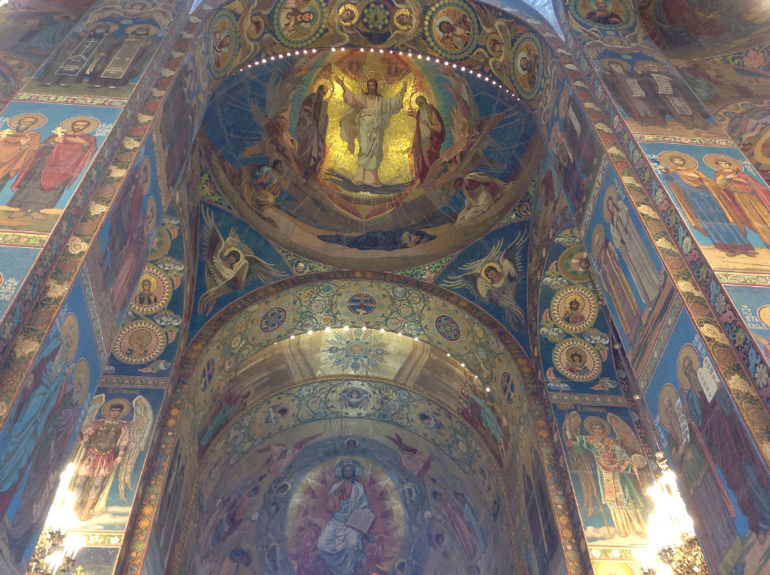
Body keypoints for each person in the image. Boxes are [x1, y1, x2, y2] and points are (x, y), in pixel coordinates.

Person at [681, 355, 770, 544]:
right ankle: (758, 527)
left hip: (732, 433)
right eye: (687, 370)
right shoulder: (691, 398)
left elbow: (727, 404)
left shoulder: (707, 378)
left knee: (751, 471)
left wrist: (720, 390)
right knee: (738, 482)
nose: (690, 371)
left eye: (691, 366)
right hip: (720, 444)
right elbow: (698, 424)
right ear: (686, 375)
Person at [659, 153, 755, 257]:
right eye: (675, 161)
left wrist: (703, 181)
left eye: (679, 160)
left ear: (684, 161)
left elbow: (710, 182)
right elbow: (668, 181)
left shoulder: (695, 172)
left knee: (723, 219)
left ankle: (744, 247)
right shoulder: (673, 172)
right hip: (692, 198)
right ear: (673, 162)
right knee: (708, 221)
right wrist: (664, 171)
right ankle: (729, 247)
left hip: (707, 196)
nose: (678, 162)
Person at [563, 417, 646, 537]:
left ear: (603, 429)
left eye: (599, 428)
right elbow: (572, 438)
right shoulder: (590, 440)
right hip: (604, 472)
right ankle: (622, 528)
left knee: (627, 498)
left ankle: (639, 527)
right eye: (595, 428)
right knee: (613, 500)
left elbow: (620, 452)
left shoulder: (611, 441)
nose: (597, 430)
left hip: (618, 472)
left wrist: (625, 460)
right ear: (591, 429)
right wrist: (567, 427)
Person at [8, 118, 97, 220]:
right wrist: (52, 142)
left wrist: (83, 142)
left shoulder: (88, 138)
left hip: (65, 168)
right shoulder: (58, 134)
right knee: (33, 186)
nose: (79, 127)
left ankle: (36, 211)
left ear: (86, 127)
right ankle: (22, 210)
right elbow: (40, 147)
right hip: (45, 164)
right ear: (72, 124)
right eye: (77, 124)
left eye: (82, 125)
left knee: (52, 190)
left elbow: (89, 152)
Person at [337, 76, 406, 185]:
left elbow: (392, 103)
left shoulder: (381, 101)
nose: (371, 87)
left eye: (373, 85)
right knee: (364, 149)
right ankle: (360, 176)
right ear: (367, 87)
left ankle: (374, 179)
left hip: (376, 128)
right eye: (369, 85)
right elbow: (352, 98)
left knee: (375, 151)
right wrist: (342, 85)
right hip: (364, 127)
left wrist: (402, 92)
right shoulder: (363, 98)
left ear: (376, 86)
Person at [71, 401, 131, 521]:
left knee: (98, 483)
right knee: (79, 481)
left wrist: (120, 455)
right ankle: (74, 506)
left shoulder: (123, 426)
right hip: (91, 455)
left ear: (121, 413)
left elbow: (123, 441)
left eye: (118, 411)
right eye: (113, 410)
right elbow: (84, 438)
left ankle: (86, 509)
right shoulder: (97, 423)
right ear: (109, 411)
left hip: (106, 456)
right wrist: (77, 428)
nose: (115, 413)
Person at [606, 195, 664, 305]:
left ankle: (656, 285)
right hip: (628, 251)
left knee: (644, 260)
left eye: (610, 203)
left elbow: (626, 214)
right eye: (608, 205)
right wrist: (615, 222)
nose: (610, 206)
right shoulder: (611, 224)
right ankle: (649, 297)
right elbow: (617, 242)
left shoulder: (620, 205)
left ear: (613, 202)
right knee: (637, 272)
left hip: (634, 242)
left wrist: (619, 215)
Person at [317, 460, 372, 575]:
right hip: (335, 522)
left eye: (349, 470)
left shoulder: (359, 488)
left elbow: (364, 505)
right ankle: (335, 569)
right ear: (342, 472)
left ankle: (347, 571)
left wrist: (367, 515)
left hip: (351, 522)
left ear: (353, 472)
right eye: (345, 470)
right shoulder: (336, 487)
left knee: (351, 544)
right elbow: (329, 506)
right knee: (322, 545)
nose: (347, 472)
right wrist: (335, 497)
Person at [711, 156, 770, 246]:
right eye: (721, 164)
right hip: (739, 198)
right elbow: (720, 184)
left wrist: (743, 181)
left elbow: (755, 184)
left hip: (753, 197)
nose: (724, 165)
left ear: (729, 164)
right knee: (755, 220)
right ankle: (768, 241)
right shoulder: (720, 174)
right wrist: (728, 177)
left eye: (725, 163)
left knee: (766, 214)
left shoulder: (741, 174)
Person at [37, 23, 115, 87]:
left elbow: (107, 45)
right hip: (74, 53)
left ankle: (65, 82)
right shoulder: (86, 33)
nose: (101, 28)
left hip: (90, 55)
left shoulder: (108, 36)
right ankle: (49, 81)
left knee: (79, 67)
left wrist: (103, 51)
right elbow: (72, 41)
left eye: (103, 28)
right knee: (60, 64)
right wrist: (77, 39)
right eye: (99, 27)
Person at [88, 24, 158, 89]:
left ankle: (113, 84)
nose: (141, 30)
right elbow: (116, 43)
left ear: (147, 31)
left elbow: (150, 46)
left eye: (144, 29)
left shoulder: (150, 38)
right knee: (107, 68)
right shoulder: (125, 36)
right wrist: (125, 41)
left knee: (125, 70)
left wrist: (140, 42)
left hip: (132, 57)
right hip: (117, 55)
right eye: (140, 29)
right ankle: (98, 83)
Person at [0, 115, 43, 191]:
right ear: (19, 122)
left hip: (11, 164)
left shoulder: (33, 135)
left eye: (29, 122)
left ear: (32, 125)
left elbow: (33, 149)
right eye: (24, 121)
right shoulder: (4, 132)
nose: (25, 123)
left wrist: (23, 145)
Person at [297, 84, 329, 178]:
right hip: (308, 127)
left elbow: (323, 118)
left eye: (325, 94)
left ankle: (311, 171)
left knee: (320, 147)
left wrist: (324, 119)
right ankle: (305, 169)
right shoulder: (310, 99)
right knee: (313, 143)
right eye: (322, 92)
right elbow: (305, 112)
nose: (323, 95)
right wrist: (313, 122)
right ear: (318, 90)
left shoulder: (322, 103)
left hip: (317, 130)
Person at [411, 95, 445, 183]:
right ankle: (426, 179)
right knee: (422, 160)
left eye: (421, 104)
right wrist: (414, 143)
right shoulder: (419, 113)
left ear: (425, 102)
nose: (420, 106)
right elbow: (417, 129)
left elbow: (439, 128)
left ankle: (432, 178)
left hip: (431, 140)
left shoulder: (431, 111)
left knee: (429, 159)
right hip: (422, 141)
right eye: (418, 105)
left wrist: (428, 125)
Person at [318, 226, 435, 251]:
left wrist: (407, 245)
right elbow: (394, 236)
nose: (416, 239)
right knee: (352, 241)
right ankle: (330, 238)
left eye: (418, 240)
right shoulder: (405, 232)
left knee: (352, 243)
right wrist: (409, 243)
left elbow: (390, 246)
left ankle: (331, 238)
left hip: (375, 241)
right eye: (417, 237)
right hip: (375, 236)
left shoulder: (406, 242)